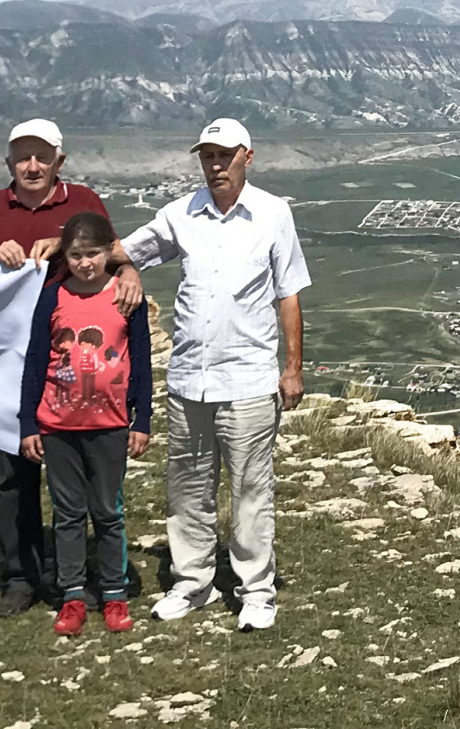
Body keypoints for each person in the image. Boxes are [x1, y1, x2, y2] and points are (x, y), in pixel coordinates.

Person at [112, 117, 309, 632]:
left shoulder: (272, 214)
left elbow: (288, 293)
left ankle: (257, 591)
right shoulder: (180, 214)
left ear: (248, 155)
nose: (215, 165)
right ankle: (191, 582)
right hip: (188, 381)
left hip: (247, 379)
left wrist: (292, 368)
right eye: (207, 156)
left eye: (224, 155)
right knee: (188, 489)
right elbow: (124, 252)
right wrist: (126, 266)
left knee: (250, 490)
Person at [0, 117, 144, 616]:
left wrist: (129, 273)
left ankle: (89, 579)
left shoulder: (84, 201)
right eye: (23, 156)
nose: (32, 165)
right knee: (10, 474)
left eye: (42, 155)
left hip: (73, 367)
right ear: (9, 163)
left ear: (60, 161)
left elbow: (115, 256)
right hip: (4, 362)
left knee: (83, 484)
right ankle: (21, 574)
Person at [18, 210, 153, 636]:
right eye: (76, 255)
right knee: (68, 513)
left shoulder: (125, 297)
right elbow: (35, 362)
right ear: (66, 255)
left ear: (107, 251)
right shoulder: (52, 297)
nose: (85, 263)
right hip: (58, 425)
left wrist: (142, 418)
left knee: (108, 512)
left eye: (93, 254)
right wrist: (28, 423)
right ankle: (72, 595)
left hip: (111, 424)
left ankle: (114, 594)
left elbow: (142, 363)